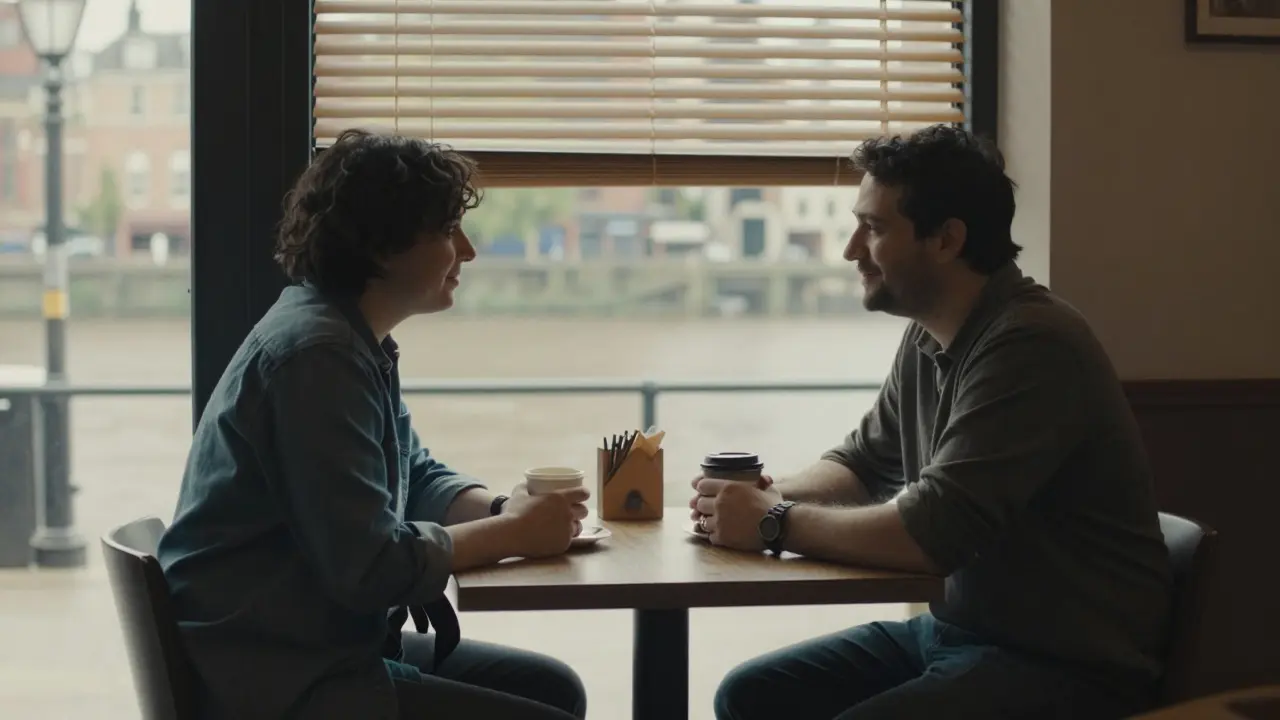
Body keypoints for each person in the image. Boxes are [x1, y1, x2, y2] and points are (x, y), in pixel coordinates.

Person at [690, 125, 1173, 720]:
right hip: (960, 637)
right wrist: (761, 497)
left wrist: (774, 524)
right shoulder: (929, 332)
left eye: (874, 228)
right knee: (752, 696)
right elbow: (863, 462)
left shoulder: (1032, 346)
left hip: (1067, 666)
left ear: (946, 239)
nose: (850, 250)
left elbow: (930, 533)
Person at [156, 129, 589, 720]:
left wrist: (500, 512)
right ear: (382, 245)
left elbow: (412, 469)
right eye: (445, 230)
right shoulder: (318, 357)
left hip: (297, 647)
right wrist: (515, 534)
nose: (467, 249)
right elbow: (372, 568)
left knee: (553, 688)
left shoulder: (343, 337)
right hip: (282, 677)